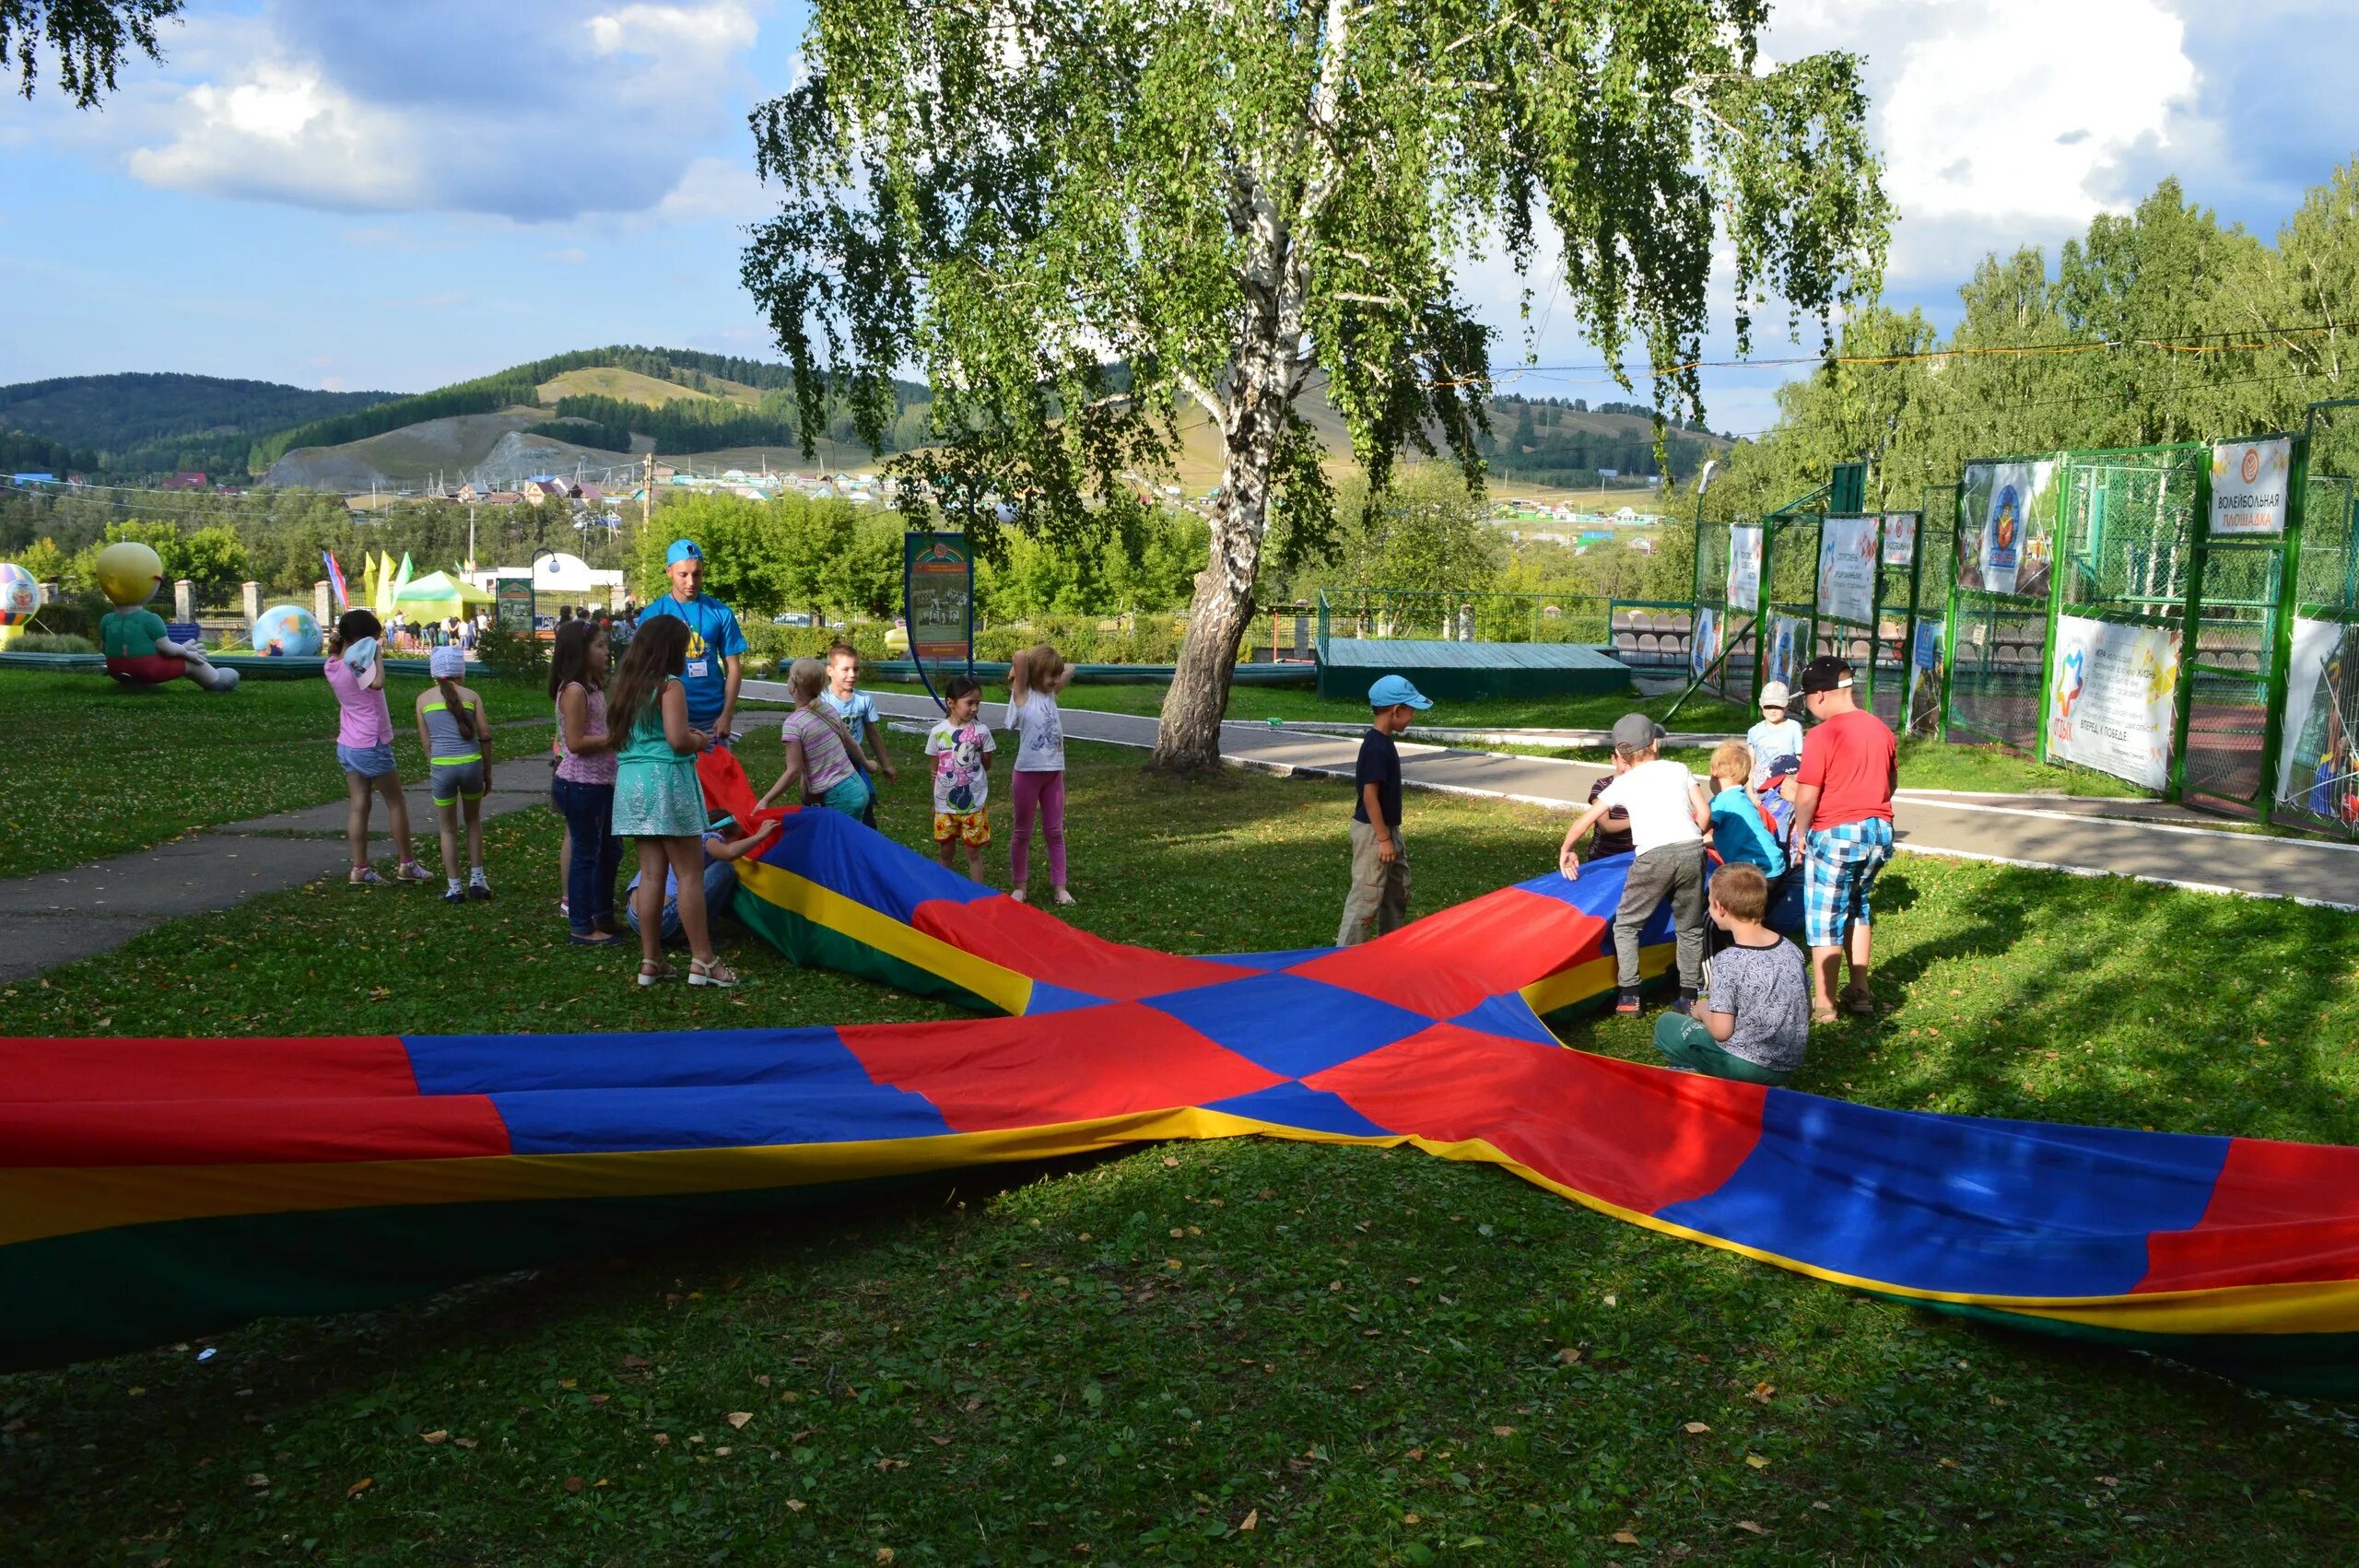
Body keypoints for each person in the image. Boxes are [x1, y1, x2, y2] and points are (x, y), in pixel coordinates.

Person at [608, 615, 736, 988]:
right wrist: (700, 740)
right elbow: (678, 740)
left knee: (651, 876)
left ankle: (651, 961)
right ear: (669, 649)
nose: (686, 653)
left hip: (633, 785)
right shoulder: (670, 685)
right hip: (667, 782)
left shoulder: (627, 687)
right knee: (690, 874)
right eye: (682, 647)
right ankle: (705, 961)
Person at [1556, 713, 1710, 1014]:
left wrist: (1567, 848)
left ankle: (1629, 995)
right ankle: (1688, 995)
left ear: (1622, 753)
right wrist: (1691, 837)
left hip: (1653, 856)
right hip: (1692, 850)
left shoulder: (1623, 783)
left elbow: (1585, 821)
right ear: (1654, 743)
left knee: (1627, 924)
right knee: (1689, 926)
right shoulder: (1679, 769)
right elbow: (1703, 814)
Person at [1789, 655, 1898, 1022]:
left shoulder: (1822, 735)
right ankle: (1860, 990)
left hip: (1836, 832)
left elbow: (1807, 795)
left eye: (1804, 698)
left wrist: (1802, 834)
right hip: (1878, 831)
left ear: (1819, 696)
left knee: (1824, 916)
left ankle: (1824, 1004)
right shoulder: (1881, 729)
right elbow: (1890, 784)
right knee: (1857, 906)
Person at [1651, 863, 1810, 1084]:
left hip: (1743, 1066)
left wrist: (1703, 1010)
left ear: (1720, 907)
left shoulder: (1728, 960)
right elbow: (1805, 1007)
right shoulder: (1791, 949)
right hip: (1787, 1063)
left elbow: (1721, 1031)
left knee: (1667, 1024)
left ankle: (1715, 1076)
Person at [323, 609, 428, 887]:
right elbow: (378, 684)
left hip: (348, 743)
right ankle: (407, 864)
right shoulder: (357, 664)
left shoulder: (332, 663)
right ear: (364, 640)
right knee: (396, 802)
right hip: (371, 742)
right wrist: (377, 655)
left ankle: (360, 868)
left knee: (359, 805)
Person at [1338, 673, 1429, 945]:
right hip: (1374, 834)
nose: (1413, 716)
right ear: (1396, 710)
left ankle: (1387, 948)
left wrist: (1391, 835)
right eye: (1411, 710)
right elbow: (1369, 797)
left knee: (1397, 888)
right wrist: (1384, 839)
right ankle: (1343, 958)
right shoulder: (1376, 747)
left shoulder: (1384, 742)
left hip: (1387, 829)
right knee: (1367, 897)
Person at [549, 619, 626, 946]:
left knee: (610, 849)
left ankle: (602, 914)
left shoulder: (592, 688)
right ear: (581, 651)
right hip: (581, 785)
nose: (607, 652)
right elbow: (576, 743)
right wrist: (614, 737)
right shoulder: (575, 690)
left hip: (601, 783)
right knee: (586, 854)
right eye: (599, 646)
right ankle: (581, 926)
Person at [638, 538, 747, 746]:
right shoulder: (654, 614)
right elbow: (641, 669)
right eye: (683, 575)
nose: (691, 581)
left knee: (714, 779)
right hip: (666, 719)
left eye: (697, 574)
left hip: (712, 721)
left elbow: (734, 668)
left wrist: (727, 715)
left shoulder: (720, 612)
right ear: (669, 571)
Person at [417, 646, 494, 904]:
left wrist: (435, 764)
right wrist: (487, 771)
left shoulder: (423, 700)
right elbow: (484, 735)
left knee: (447, 829)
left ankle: (455, 888)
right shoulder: (472, 696)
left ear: (434, 673)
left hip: (442, 767)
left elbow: (426, 742)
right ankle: (478, 880)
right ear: (461, 672)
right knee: (473, 821)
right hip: (471, 764)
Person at [625, 813, 779, 941]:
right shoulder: (708, 837)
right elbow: (729, 853)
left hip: (635, 917)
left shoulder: (685, 835)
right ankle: (701, 934)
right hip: (664, 920)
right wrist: (760, 836)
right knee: (725, 868)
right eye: (737, 840)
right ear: (721, 834)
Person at [757, 657, 873, 817]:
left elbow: (793, 771)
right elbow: (851, 743)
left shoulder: (794, 724)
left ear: (794, 685)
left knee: (834, 841)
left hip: (839, 797)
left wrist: (765, 800)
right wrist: (866, 764)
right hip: (857, 786)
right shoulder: (828, 709)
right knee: (848, 839)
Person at [1004, 643, 1074, 906]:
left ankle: (1060, 887)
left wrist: (1052, 675)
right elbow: (1020, 656)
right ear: (1034, 674)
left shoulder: (1050, 694)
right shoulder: (1022, 696)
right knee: (1022, 832)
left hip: (1054, 773)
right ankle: (1020, 887)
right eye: (1050, 675)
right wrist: (1017, 673)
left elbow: (1071, 668)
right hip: (1027, 774)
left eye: (1056, 676)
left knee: (1055, 832)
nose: (1056, 680)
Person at [924, 674, 996, 881]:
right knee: (946, 853)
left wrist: (985, 755)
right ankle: (945, 893)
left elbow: (987, 766)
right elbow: (934, 772)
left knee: (973, 853)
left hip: (973, 806)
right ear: (951, 703)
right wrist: (935, 803)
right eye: (970, 703)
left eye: (978, 703)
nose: (974, 708)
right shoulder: (938, 733)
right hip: (944, 808)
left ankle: (977, 895)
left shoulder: (982, 732)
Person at [821, 641, 896, 826]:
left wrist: (886, 765)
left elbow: (873, 734)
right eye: (845, 669)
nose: (852, 675)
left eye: (856, 669)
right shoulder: (821, 700)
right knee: (832, 810)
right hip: (827, 766)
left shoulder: (863, 700)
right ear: (829, 671)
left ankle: (866, 842)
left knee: (865, 803)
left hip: (855, 762)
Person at [1703, 741, 1784, 880]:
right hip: (1772, 863)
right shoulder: (1742, 798)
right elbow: (1736, 839)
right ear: (1746, 778)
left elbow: (1700, 827)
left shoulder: (1721, 800)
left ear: (1713, 770)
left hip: (1755, 870)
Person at [1747, 681, 1804, 786]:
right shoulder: (1754, 731)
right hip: (1759, 788)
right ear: (1761, 705)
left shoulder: (1794, 728)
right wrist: (1750, 792)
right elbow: (1751, 765)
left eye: (1778, 706)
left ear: (1787, 706)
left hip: (1784, 788)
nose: (1773, 710)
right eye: (1768, 706)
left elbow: (1800, 760)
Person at [1581, 772, 1635, 859]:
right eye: (1625, 762)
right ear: (1615, 759)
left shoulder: (1644, 786)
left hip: (1635, 855)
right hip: (1604, 855)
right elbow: (1605, 826)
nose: (1629, 767)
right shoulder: (1603, 786)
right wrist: (1639, 819)